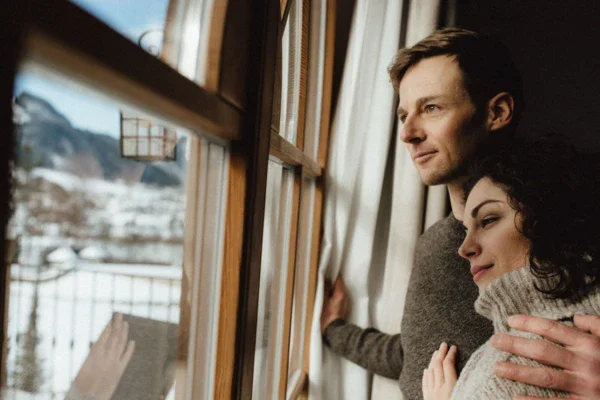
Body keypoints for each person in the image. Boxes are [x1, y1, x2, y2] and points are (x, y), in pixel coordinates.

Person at [321, 28, 600, 399]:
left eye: (431, 108)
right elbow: (416, 353)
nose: (407, 133)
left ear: (497, 112)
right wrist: (334, 330)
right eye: (403, 115)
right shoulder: (437, 246)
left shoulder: (572, 226)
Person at [422, 139, 600, 399]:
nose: (463, 249)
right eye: (466, 230)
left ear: (550, 218)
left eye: (489, 220)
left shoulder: (510, 368)